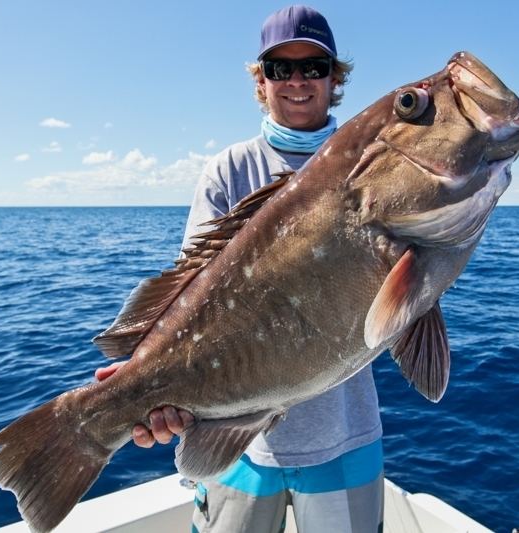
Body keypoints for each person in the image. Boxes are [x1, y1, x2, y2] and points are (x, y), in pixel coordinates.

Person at [97, 5, 383, 532]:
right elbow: (190, 293)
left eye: (313, 67)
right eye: (280, 69)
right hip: (236, 445)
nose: (297, 81)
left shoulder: (374, 162)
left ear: (334, 79)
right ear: (261, 81)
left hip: (347, 432)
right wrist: (143, 378)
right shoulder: (228, 169)